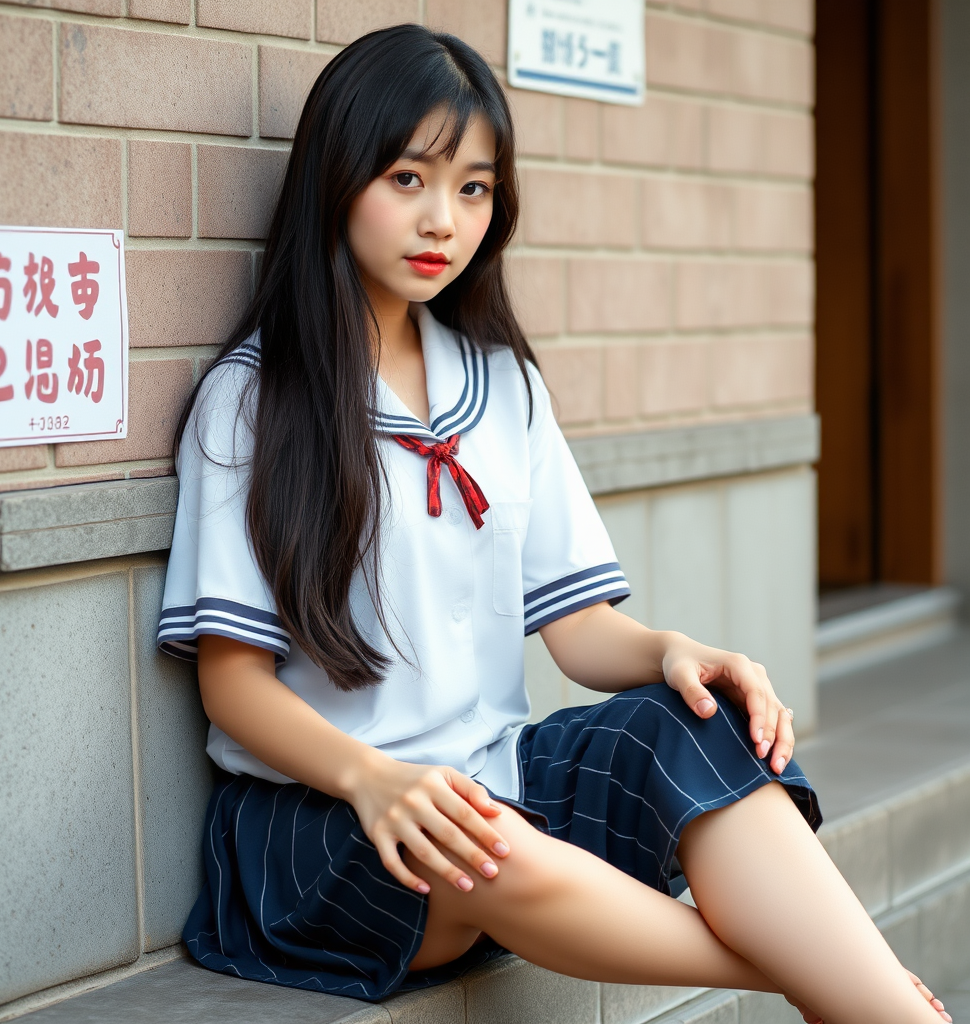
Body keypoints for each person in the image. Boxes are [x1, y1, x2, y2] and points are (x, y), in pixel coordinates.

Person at [157, 24, 951, 1024]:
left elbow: (578, 631)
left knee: (693, 722)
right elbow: (230, 686)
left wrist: (674, 651)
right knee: (483, 833)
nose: (441, 219)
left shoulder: (502, 385)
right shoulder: (253, 401)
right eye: (408, 179)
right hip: (320, 823)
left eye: (473, 188)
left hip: (490, 782)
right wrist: (373, 779)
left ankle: (869, 1004)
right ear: (336, 176)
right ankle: (857, 988)